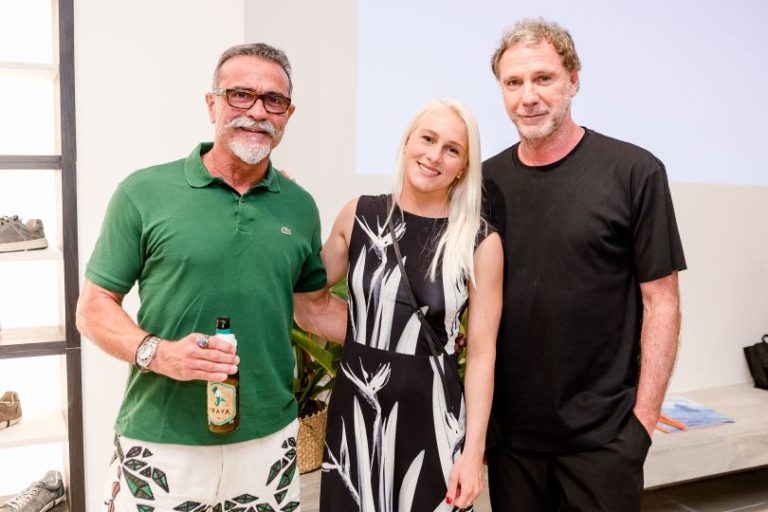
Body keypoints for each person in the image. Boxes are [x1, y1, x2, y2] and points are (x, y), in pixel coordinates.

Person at [76, 43, 343, 511]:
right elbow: (94, 307)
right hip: (161, 442)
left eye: (273, 100)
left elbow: (314, 307)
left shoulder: (299, 205)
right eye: (240, 95)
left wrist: (413, 335)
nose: (257, 111)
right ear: (212, 104)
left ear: (288, 114)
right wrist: (158, 353)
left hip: (269, 443)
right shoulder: (143, 192)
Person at [482, 19, 687, 511]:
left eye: (544, 78)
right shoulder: (485, 182)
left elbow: (662, 302)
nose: (528, 97)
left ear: (574, 80)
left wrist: (641, 425)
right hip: (512, 444)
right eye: (514, 83)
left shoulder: (635, 172)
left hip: (604, 443)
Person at [295, 99, 503, 512]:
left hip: (433, 418)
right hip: (357, 411)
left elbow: (482, 354)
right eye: (427, 139)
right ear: (408, 142)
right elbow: (307, 297)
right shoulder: (358, 214)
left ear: (463, 166)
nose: (434, 155)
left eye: (452, 149)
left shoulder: (479, 241)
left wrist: (473, 452)